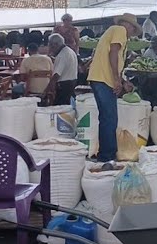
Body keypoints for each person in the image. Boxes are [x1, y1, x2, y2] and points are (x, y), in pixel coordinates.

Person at [86, 15, 139, 162]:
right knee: (109, 119)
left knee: (106, 118)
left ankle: (106, 154)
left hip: (100, 78)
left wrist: (122, 81)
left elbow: (112, 58)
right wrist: (116, 79)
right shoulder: (119, 30)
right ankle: (107, 156)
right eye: (133, 29)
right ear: (128, 25)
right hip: (103, 80)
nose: (131, 32)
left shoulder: (114, 31)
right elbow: (113, 53)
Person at [49, 30, 80, 106]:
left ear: (55, 44)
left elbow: (56, 75)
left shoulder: (62, 55)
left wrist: (48, 90)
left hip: (64, 85)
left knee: (60, 109)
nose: (50, 49)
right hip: (72, 82)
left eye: (51, 46)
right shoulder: (70, 51)